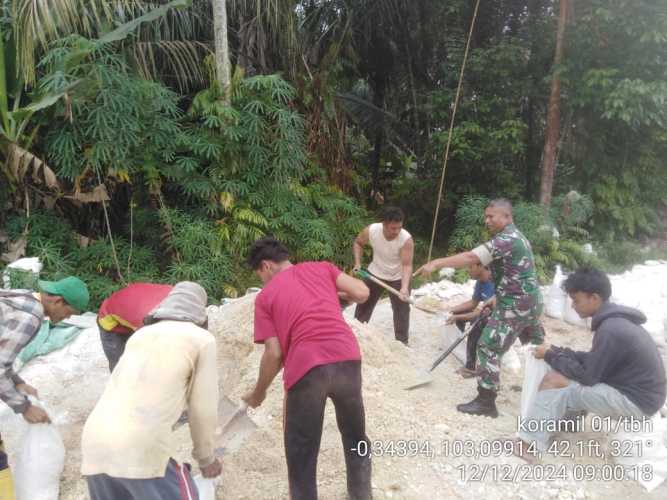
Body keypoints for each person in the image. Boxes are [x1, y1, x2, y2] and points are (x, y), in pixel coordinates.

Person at [243, 237, 372, 500]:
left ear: (266, 266)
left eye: (259, 275)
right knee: (355, 434)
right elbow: (362, 293)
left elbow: (274, 353)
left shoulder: (266, 297)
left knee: (301, 447)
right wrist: (334, 296)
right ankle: (361, 494)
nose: (262, 281)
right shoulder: (322, 268)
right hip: (347, 356)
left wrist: (259, 393)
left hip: (307, 367)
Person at [81, 282, 222, 500]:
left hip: (94, 446)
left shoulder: (139, 336)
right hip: (139, 448)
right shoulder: (201, 339)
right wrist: (206, 458)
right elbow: (202, 410)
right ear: (201, 314)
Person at [514, 267, 667, 459]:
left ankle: (529, 445)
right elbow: (594, 361)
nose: (573, 306)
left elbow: (588, 376)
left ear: (594, 298)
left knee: (555, 380)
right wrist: (558, 351)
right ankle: (567, 424)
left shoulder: (611, 329)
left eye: (576, 300)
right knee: (568, 371)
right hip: (644, 396)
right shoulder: (617, 322)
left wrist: (550, 356)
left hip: (637, 403)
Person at [416, 199, 544, 417]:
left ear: (506, 217)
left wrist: (436, 263)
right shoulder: (515, 237)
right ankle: (547, 388)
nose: (487, 220)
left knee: (487, 346)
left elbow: (471, 257)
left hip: (515, 303)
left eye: (491, 216)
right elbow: (515, 272)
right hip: (529, 301)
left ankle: (486, 402)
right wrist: (496, 295)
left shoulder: (506, 239)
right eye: (486, 216)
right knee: (537, 345)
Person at [0, 276, 89, 499]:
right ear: (58, 301)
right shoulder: (31, 317)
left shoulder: (22, 298)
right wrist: (23, 407)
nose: (66, 318)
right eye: (69, 312)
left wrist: (18, 381)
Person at [353, 206, 414, 345]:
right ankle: (356, 334)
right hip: (375, 272)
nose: (397, 231)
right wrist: (357, 262)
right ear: (384, 224)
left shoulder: (406, 239)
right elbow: (358, 243)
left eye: (400, 227)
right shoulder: (372, 230)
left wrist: (404, 287)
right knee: (363, 302)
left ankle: (402, 342)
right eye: (393, 228)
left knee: (402, 310)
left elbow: (407, 265)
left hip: (398, 277)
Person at [97, 283, 173, 372]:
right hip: (110, 322)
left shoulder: (181, 298)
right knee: (119, 366)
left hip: (134, 304)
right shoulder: (147, 324)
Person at [445, 263, 495, 377]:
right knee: (457, 313)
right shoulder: (480, 282)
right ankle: (460, 348)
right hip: (485, 312)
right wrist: (451, 310)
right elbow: (473, 303)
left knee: (476, 324)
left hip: (497, 317)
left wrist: (457, 317)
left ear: (481, 267)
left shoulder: (494, 282)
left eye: (471, 267)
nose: (468, 270)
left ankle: (471, 367)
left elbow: (481, 313)